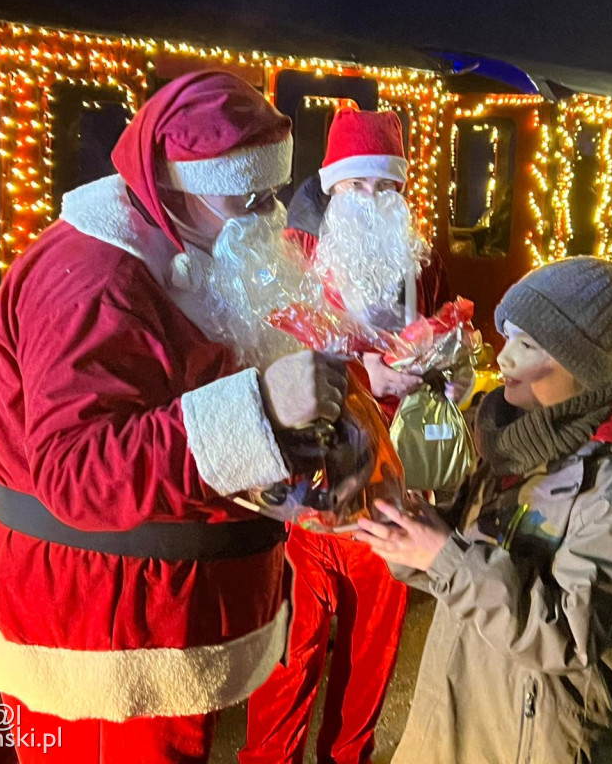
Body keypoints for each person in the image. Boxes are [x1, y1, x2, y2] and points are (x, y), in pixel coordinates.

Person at [0, 72, 347, 764]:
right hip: (104, 641)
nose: (267, 213)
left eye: (272, 191)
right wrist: (262, 407)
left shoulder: (194, 243)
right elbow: (76, 471)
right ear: (172, 184)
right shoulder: (94, 278)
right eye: (247, 192)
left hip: (161, 624)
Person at [356, 256, 612, 764]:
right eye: (507, 337)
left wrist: (443, 555)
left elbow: (569, 635)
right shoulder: (507, 443)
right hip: (458, 713)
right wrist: (403, 531)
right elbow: (457, 566)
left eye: (528, 345)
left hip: (529, 740)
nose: (504, 358)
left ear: (582, 363)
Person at [240, 108, 447, 764]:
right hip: (307, 497)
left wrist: (435, 372)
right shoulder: (293, 257)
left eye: (387, 188)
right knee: (289, 651)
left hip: (388, 497)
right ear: (333, 187)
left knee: (371, 650)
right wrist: (365, 373)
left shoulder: (420, 262)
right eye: (359, 186)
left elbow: (446, 363)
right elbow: (267, 362)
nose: (373, 200)